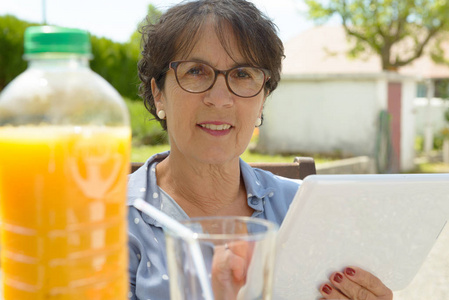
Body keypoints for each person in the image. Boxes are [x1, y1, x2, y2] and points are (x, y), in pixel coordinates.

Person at [127, 0, 394, 299]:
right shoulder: (108, 220)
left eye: (242, 74)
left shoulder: (305, 209)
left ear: (262, 101)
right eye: (196, 71)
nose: (220, 98)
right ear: (158, 94)